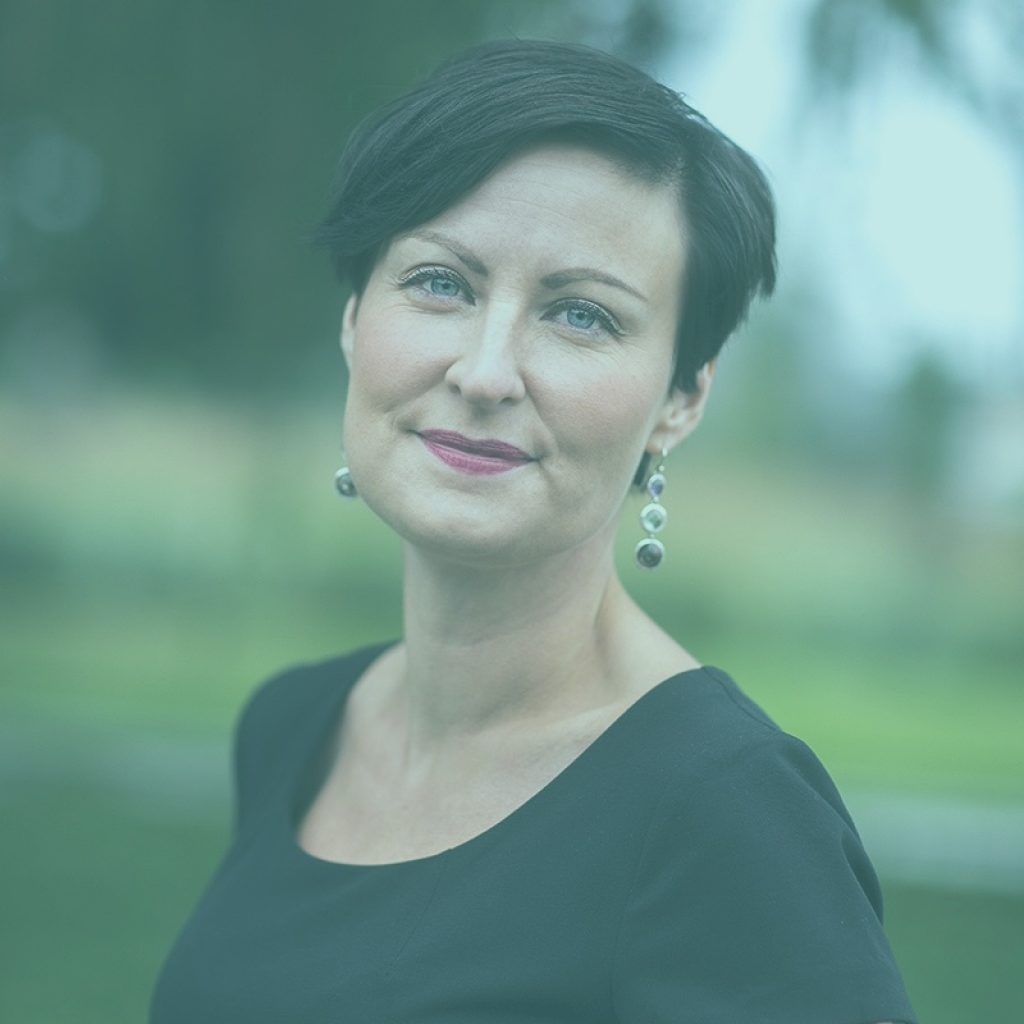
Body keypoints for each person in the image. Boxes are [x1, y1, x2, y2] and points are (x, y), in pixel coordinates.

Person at [150, 39, 918, 1023]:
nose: (484, 372)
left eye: (581, 316)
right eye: (442, 282)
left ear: (683, 397)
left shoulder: (723, 809)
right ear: (352, 318)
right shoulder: (291, 728)